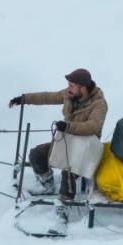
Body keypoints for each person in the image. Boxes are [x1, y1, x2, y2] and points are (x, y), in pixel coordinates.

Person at [9, 69, 108, 202]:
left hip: (86, 149)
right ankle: (47, 184)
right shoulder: (70, 94)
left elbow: (93, 126)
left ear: (83, 88)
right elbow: (47, 97)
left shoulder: (99, 104)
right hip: (67, 144)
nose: (68, 88)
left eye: (71, 85)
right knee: (36, 154)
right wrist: (24, 98)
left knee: (68, 171)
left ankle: (64, 204)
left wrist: (68, 127)